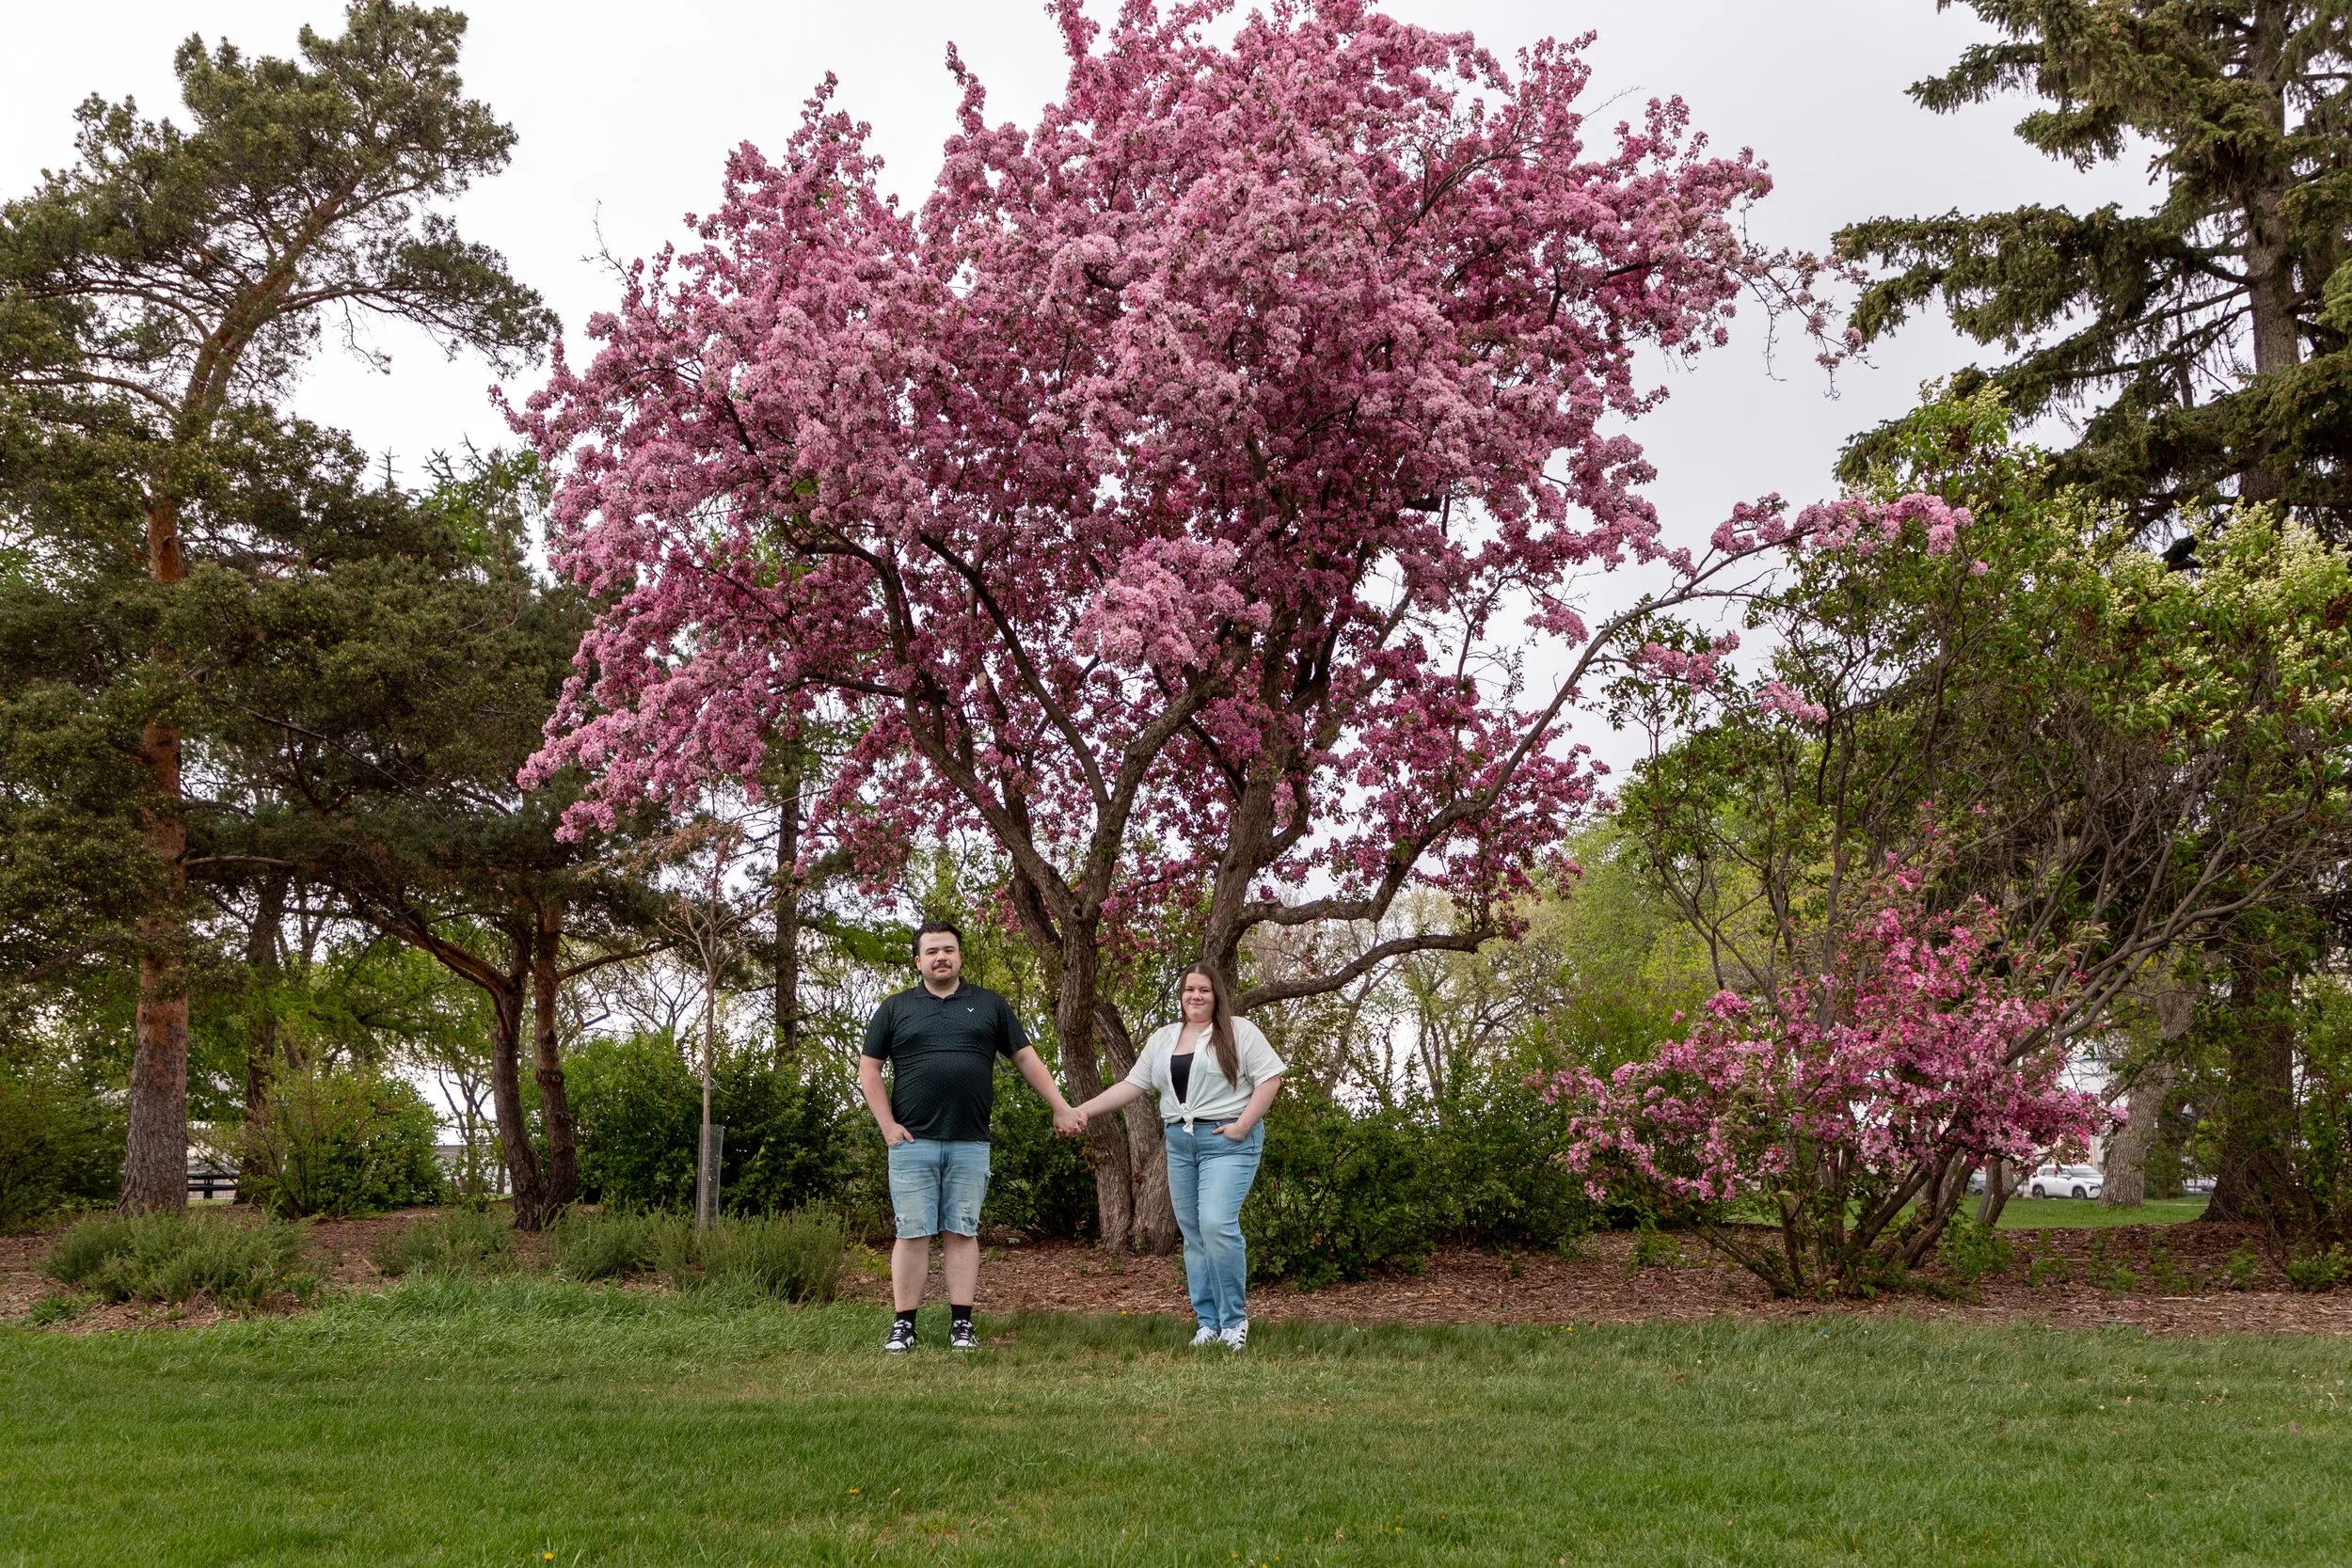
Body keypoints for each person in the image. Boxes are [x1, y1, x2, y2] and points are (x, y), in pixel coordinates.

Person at [860, 920, 1079, 1352]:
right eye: (932, 951)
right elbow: (870, 1069)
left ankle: (962, 1325)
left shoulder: (990, 1005)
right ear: (918, 960)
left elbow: (1026, 1058)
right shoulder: (895, 1008)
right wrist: (887, 1125)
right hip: (911, 1143)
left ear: (959, 955)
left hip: (970, 1142)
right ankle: (904, 1325)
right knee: (912, 1233)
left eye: (949, 950)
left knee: (962, 1232)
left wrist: (1060, 1105)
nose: (941, 957)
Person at [1066, 963, 1283, 1349]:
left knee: (1217, 1224)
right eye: (1188, 990)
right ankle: (1208, 1323)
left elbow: (1270, 1078)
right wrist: (1082, 1110)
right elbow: (1133, 1085)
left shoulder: (1238, 1031)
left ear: (1216, 994)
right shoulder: (1164, 1038)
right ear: (1180, 995)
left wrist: (1243, 1126)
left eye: (1203, 990)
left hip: (1228, 1139)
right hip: (1181, 1143)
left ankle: (1234, 1322)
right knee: (1195, 1234)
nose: (1195, 996)